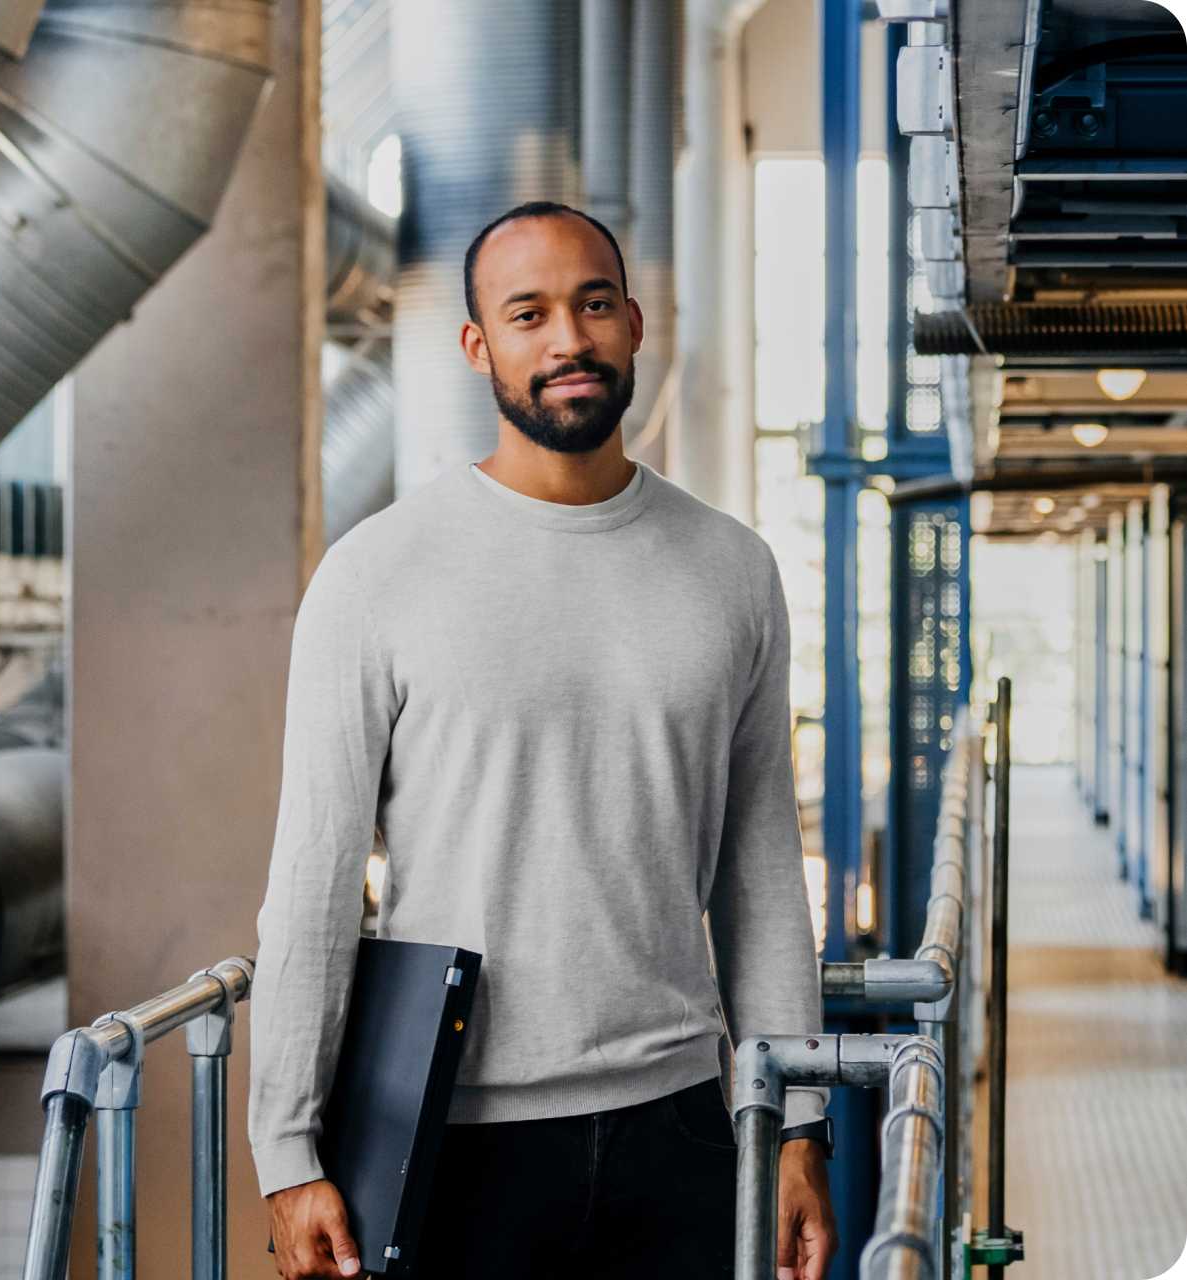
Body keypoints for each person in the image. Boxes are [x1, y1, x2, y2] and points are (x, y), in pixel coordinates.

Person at [250, 200, 839, 1280]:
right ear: (479, 345)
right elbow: (315, 880)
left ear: (635, 325)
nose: (567, 337)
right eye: (528, 314)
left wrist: (796, 1120)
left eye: (593, 303)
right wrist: (286, 1148)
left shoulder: (732, 570)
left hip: (682, 1119)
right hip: (447, 1133)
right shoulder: (376, 573)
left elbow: (759, 875)